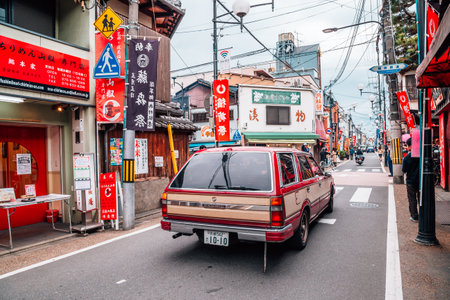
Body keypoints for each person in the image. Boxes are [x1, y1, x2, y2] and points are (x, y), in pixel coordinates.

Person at [402, 138, 420, 222]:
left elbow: (404, 170)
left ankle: (414, 216)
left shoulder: (407, 158)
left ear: (409, 146)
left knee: (412, 199)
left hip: (410, 181)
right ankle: (423, 214)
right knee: (421, 198)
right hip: (420, 181)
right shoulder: (421, 156)